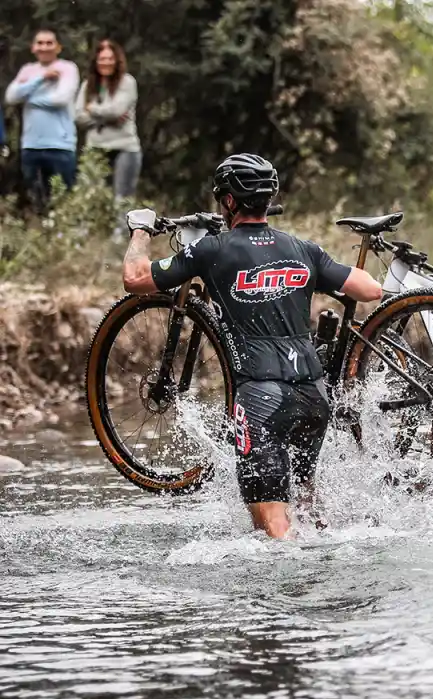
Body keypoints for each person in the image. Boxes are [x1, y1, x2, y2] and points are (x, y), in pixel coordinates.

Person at [120, 154, 383, 540]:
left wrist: (141, 230)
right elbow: (371, 290)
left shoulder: (212, 250)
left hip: (261, 398)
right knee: (310, 515)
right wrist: (304, 279)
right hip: (313, 395)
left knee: (275, 530)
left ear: (228, 202)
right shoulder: (303, 249)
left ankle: (294, 598)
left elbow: (135, 278)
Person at [4, 28, 79, 210]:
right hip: (31, 146)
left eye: (49, 43)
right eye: (40, 43)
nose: (44, 47)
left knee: (63, 201)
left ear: (58, 47)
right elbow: (11, 96)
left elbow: (61, 99)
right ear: (33, 48)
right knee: (37, 201)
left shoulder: (67, 68)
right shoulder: (28, 70)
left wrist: (29, 99)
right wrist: (40, 79)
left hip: (60, 146)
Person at [75, 39, 141, 238]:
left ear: (117, 60)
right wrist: (106, 119)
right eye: (102, 58)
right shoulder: (88, 85)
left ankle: (119, 238)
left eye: (110, 58)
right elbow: (78, 116)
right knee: (90, 194)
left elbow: (117, 110)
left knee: (122, 197)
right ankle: (88, 236)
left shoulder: (127, 82)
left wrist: (92, 109)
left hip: (125, 147)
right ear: (96, 61)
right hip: (96, 147)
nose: (106, 62)